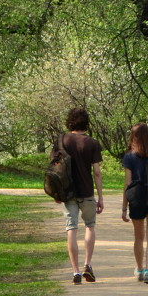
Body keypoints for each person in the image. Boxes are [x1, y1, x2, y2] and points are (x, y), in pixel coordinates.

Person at [58, 108, 104, 284]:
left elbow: (55, 167)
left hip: (68, 192)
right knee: (90, 226)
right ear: (86, 122)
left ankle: (75, 271)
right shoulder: (92, 143)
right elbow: (97, 173)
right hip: (86, 192)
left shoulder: (61, 140)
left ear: (69, 122)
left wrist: (56, 192)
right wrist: (100, 197)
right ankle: (88, 265)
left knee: (71, 229)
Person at [121, 123, 148, 284]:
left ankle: (139, 269)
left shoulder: (129, 157)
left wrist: (124, 206)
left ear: (133, 137)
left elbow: (127, 183)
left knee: (138, 237)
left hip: (137, 197)